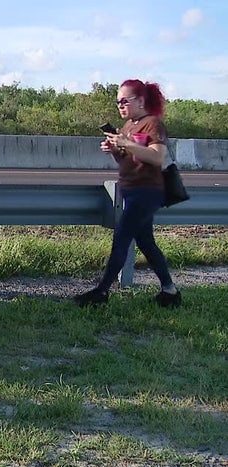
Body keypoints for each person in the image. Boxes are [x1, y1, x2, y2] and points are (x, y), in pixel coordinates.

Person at [74, 79, 181, 308]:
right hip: (131, 190)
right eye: (117, 102)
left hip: (148, 191)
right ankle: (170, 291)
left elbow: (157, 157)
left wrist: (127, 143)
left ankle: (101, 292)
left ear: (140, 101)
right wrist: (114, 149)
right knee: (146, 243)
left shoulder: (152, 124)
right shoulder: (128, 127)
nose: (120, 106)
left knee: (121, 237)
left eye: (125, 101)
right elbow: (128, 161)